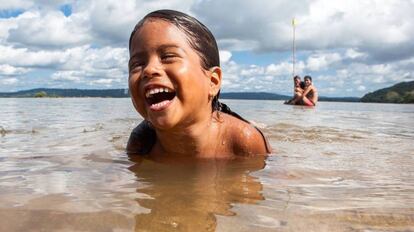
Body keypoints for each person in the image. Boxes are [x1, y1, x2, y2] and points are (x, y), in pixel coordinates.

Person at [126, 10, 271, 158]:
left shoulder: (243, 141)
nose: (149, 69)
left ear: (213, 82)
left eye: (168, 56)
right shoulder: (141, 143)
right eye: (137, 64)